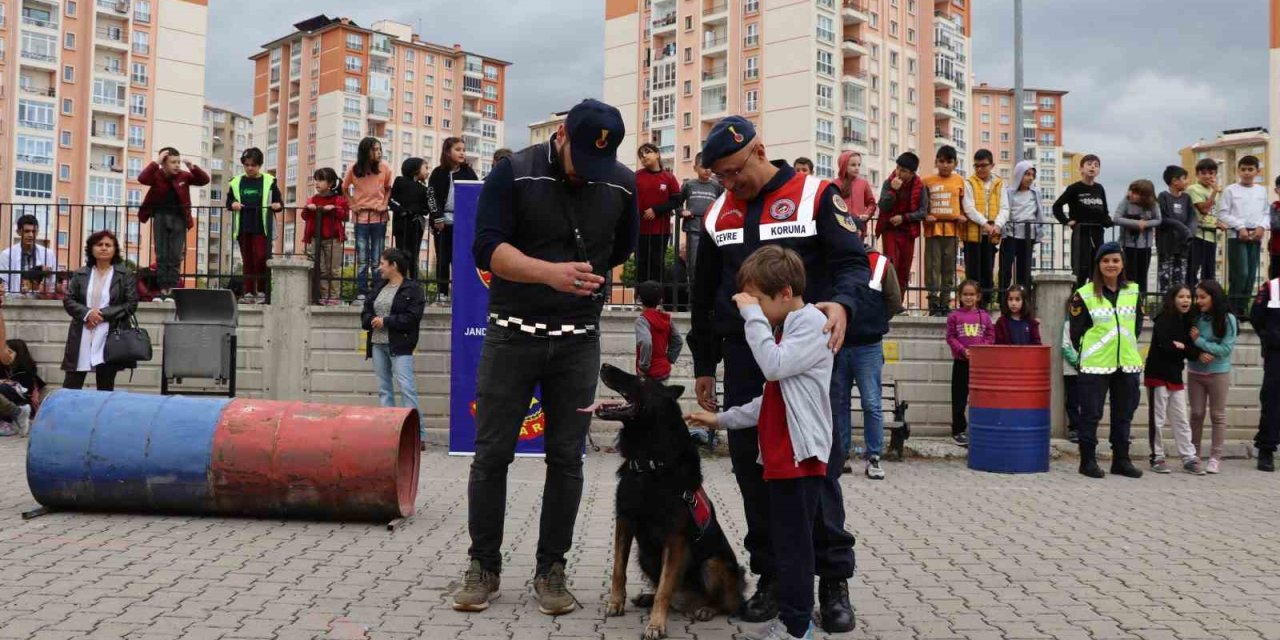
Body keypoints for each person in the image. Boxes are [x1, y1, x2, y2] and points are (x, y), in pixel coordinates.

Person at [453, 99, 637, 616]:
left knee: (566, 459)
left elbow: (619, 249)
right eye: (582, 157)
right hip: (512, 337)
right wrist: (549, 273)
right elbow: (486, 249)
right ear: (560, 135)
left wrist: (577, 284)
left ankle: (551, 570)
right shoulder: (513, 173)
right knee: (491, 456)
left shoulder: (620, 182)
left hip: (578, 342)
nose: (589, 172)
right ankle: (483, 566)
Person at [689, 115, 865, 631]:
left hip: (807, 354)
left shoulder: (815, 194)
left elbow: (853, 263)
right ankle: (772, 577)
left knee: (818, 468)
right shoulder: (718, 212)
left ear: (759, 151)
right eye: (718, 175)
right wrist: (704, 363)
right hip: (745, 356)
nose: (728, 182)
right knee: (753, 468)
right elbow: (703, 296)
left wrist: (843, 305)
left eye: (732, 171)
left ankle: (833, 581)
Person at [684, 245, 839, 640]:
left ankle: (797, 625)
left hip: (798, 457)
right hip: (781, 455)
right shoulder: (791, 326)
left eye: (761, 300)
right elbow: (769, 400)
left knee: (794, 548)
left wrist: (751, 314)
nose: (753, 311)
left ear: (785, 292)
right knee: (786, 543)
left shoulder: (809, 325)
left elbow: (771, 366)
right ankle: (793, 619)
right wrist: (720, 419)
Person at [1066, 242, 1144, 479]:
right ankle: (1087, 461)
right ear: (1098, 265)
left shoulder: (1133, 291)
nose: (1111, 265)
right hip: (1095, 363)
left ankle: (1121, 460)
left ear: (1122, 264)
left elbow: (1137, 325)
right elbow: (1075, 332)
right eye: (1106, 260)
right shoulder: (1084, 294)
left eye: (1115, 260)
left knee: (1124, 413)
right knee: (1091, 414)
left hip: (1127, 362)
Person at [830, 247, 899, 479]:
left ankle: (873, 457)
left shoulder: (880, 263)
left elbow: (893, 301)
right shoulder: (835, 259)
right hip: (840, 344)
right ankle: (842, 456)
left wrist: (874, 322)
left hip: (868, 345)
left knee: (871, 403)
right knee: (839, 403)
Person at [60, 230, 138, 392]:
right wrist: (88, 313)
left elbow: (131, 304)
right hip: (82, 330)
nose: (103, 248)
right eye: (99, 244)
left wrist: (101, 314)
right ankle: (68, 415)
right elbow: (68, 300)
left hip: (109, 333)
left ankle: (102, 417)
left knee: (105, 385)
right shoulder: (80, 273)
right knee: (72, 383)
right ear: (91, 249)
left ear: (115, 249)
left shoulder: (125, 275)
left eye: (108, 245)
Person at [361, 248, 425, 440]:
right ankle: (388, 434)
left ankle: (416, 435)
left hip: (400, 345)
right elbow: (366, 311)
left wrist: (386, 321)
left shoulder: (413, 289)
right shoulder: (379, 286)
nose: (379, 268)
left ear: (393, 265)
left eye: (382, 263)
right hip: (377, 344)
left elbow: (413, 318)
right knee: (384, 388)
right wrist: (370, 319)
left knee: (406, 388)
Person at [1144, 285, 1204, 475]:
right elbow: (1166, 346)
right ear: (1173, 299)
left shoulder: (1189, 322)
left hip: (1175, 376)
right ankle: (1157, 457)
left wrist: (1184, 347)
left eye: (1188, 297)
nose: (1186, 300)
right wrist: (1185, 347)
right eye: (1181, 297)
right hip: (1157, 375)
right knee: (1158, 420)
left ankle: (1188, 458)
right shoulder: (1163, 319)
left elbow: (1194, 353)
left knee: (1181, 419)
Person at [138, 147, 209, 300]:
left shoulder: (184, 176)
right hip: (160, 217)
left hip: (179, 218)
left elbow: (204, 180)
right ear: (164, 163)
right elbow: (143, 178)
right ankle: (163, 289)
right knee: (162, 255)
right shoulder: (156, 175)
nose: (177, 165)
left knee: (175, 255)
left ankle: (173, 289)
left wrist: (192, 167)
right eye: (172, 162)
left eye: (178, 162)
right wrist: (156, 162)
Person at [1187, 280, 1237, 475]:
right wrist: (1197, 351)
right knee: (1197, 414)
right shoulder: (1195, 317)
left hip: (1218, 373)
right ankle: (1195, 454)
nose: (1198, 301)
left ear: (1213, 297)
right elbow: (1187, 342)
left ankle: (1215, 457)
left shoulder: (1228, 319)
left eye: (1202, 297)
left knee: (1217, 415)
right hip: (1195, 372)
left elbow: (1225, 349)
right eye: (1196, 297)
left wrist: (1200, 341)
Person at [227, 147, 282, 304]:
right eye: (246, 165)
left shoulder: (269, 181)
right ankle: (249, 292)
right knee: (248, 260)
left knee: (261, 258)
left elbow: (278, 201)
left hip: (262, 226)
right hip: (243, 226)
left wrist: (277, 205)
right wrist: (234, 204)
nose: (250, 168)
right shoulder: (236, 181)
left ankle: (263, 292)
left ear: (260, 165)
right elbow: (229, 202)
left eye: (253, 165)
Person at [427, 138, 479, 304]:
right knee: (443, 259)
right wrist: (437, 217)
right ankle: (442, 294)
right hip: (442, 224)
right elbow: (431, 196)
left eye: (463, 149)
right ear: (447, 152)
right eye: (458, 149)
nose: (462, 152)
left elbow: (475, 195)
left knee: (461, 260)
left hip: (462, 224)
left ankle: (460, 294)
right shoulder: (437, 173)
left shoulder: (469, 173)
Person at [344, 137, 394, 302]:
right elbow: (344, 189)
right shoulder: (353, 169)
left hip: (379, 218)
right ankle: (362, 292)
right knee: (363, 258)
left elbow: (388, 189)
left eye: (380, 149)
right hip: (360, 218)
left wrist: (384, 204)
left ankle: (378, 291)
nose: (378, 153)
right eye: (375, 149)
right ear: (366, 151)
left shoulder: (385, 168)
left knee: (377, 258)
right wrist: (353, 205)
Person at [1218, 155, 1268, 316]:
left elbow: (1266, 213)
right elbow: (1223, 214)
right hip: (1237, 236)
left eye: (1250, 169)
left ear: (1257, 171)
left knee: (1251, 276)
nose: (1247, 173)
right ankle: (1232, 309)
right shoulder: (1230, 189)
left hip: (1255, 236)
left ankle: (1243, 309)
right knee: (1241, 273)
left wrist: (1262, 227)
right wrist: (1240, 227)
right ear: (1238, 170)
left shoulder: (1262, 190)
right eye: (1243, 169)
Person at [945, 280, 993, 447]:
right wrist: (963, 350)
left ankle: (979, 428)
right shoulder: (954, 316)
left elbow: (990, 337)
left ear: (978, 296)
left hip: (980, 365)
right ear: (959, 296)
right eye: (965, 294)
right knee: (959, 398)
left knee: (979, 398)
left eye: (972, 294)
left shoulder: (985, 317)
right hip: (961, 363)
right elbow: (950, 337)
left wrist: (979, 351)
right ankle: (958, 430)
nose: (968, 297)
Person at [877, 152, 928, 305]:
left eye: (904, 170)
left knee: (904, 269)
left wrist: (904, 218)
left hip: (908, 232)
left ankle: (899, 303)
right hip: (890, 230)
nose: (899, 172)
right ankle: (888, 302)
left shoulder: (920, 186)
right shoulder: (889, 182)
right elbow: (883, 206)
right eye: (898, 168)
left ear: (912, 173)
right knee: (891, 266)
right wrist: (893, 191)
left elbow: (923, 211)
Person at [1053, 154, 1109, 288]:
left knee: (1096, 268)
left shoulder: (1099, 188)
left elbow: (1105, 210)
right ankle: (1077, 299)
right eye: (1089, 164)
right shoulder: (1074, 188)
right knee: (1081, 269)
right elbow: (1057, 206)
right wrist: (1066, 221)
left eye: (1096, 165)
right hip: (1081, 234)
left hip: (1097, 233)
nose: (1092, 167)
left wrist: (1107, 221)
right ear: (1081, 169)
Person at [922, 145, 964, 316]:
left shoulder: (960, 181)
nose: (945, 165)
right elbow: (921, 205)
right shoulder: (927, 181)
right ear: (936, 162)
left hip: (953, 231)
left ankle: (945, 303)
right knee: (932, 267)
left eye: (949, 161)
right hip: (933, 231)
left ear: (955, 163)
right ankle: (933, 303)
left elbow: (965, 204)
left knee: (948, 268)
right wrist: (925, 215)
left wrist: (961, 215)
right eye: (941, 161)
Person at [994, 160, 1043, 296]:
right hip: (1010, 234)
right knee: (1005, 268)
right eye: (1026, 174)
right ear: (1019, 174)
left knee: (1024, 269)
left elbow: (1039, 213)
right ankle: (1002, 298)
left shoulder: (1035, 193)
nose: (1030, 178)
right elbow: (1005, 210)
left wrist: (1039, 231)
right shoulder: (1009, 192)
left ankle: (1024, 298)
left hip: (1028, 235)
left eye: (1032, 175)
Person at [634, 143, 681, 286]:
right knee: (641, 262)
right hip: (640, 229)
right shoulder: (636, 176)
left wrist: (656, 210)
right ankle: (640, 295)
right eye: (641, 155)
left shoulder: (669, 177)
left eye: (647, 152)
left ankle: (656, 295)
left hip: (661, 229)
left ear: (657, 154)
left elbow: (677, 200)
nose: (644, 157)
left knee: (657, 262)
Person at [303, 168, 350, 305]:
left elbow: (346, 216)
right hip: (315, 238)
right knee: (320, 268)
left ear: (330, 183)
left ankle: (334, 296)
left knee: (333, 269)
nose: (317, 183)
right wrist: (309, 208)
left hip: (333, 238)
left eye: (321, 180)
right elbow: (304, 216)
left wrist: (334, 209)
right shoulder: (312, 199)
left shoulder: (338, 199)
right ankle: (324, 295)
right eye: (316, 179)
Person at [962, 149, 1002, 306]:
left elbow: (1004, 207)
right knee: (972, 273)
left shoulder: (999, 184)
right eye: (976, 166)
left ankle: (985, 305)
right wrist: (985, 223)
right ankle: (970, 306)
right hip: (972, 235)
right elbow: (969, 208)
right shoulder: (969, 183)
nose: (979, 169)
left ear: (992, 165)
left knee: (988, 271)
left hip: (991, 235)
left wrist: (997, 224)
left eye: (983, 165)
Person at [1111, 179, 1162, 302]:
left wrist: (1146, 224)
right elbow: (1116, 218)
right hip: (1127, 245)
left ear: (1144, 196)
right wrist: (1136, 223)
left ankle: (1141, 303)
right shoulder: (1126, 201)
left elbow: (1158, 220)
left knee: (1142, 275)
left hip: (1145, 246)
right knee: (1128, 275)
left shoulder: (1153, 204)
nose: (1131, 194)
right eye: (1131, 191)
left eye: (1135, 192)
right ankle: (1127, 301)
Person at [679, 152, 724, 280]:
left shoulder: (717, 186)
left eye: (710, 167)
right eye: (703, 167)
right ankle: (693, 290)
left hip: (711, 229)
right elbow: (677, 204)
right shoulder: (688, 185)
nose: (707, 170)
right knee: (693, 261)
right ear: (695, 168)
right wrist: (682, 211)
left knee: (712, 261)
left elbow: (722, 205)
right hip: (693, 228)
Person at [1251, 275, 1280, 472]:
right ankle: (1266, 450)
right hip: (1277, 354)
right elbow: (1256, 317)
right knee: (1272, 400)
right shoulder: (1272, 287)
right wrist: (1269, 338)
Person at [1156, 166, 1197, 292]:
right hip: (1166, 246)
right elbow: (1163, 218)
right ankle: (1165, 308)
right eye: (1184, 178)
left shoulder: (1187, 198)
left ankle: (1178, 309)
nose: (1187, 181)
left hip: (1182, 247)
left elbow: (1192, 218)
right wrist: (1182, 228)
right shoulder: (1163, 196)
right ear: (1175, 181)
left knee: (1180, 283)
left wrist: (1190, 232)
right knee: (1165, 282)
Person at [390, 158, 431, 280]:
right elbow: (392, 200)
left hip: (415, 225)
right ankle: (400, 280)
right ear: (416, 170)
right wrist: (403, 210)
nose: (428, 171)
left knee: (414, 255)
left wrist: (416, 211)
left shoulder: (424, 188)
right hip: (402, 224)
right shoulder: (400, 181)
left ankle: (413, 281)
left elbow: (426, 208)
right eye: (426, 168)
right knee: (401, 254)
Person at [634, 280, 682, 382]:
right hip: (664, 371)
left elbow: (646, 342)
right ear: (660, 300)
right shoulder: (666, 319)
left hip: (649, 373)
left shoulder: (642, 320)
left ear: (639, 299)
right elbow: (678, 341)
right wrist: (668, 359)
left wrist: (643, 366)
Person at [0, 214, 56, 297]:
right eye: (26, 231)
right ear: (18, 232)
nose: (30, 235)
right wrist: (17, 297)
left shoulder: (48, 254)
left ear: (37, 232)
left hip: (40, 304)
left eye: (33, 231)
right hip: (15, 305)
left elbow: (53, 283)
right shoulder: (7, 255)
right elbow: (3, 286)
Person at [1187, 158, 1223, 284]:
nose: (1207, 176)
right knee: (1192, 270)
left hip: (1211, 235)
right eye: (1203, 173)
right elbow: (1204, 209)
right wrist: (1214, 192)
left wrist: (1218, 223)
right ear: (1197, 175)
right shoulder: (1193, 189)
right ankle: (1190, 296)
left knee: (1209, 273)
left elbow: (1214, 213)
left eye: (1211, 173)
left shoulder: (1217, 192)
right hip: (1197, 234)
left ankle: (1208, 300)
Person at [836, 150, 877, 237]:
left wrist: (866, 214)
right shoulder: (835, 184)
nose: (857, 168)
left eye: (859, 165)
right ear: (843, 166)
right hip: (840, 228)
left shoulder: (863, 183)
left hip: (859, 228)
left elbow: (872, 204)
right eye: (853, 165)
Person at [1059, 302, 1082, 444]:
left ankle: (1085, 428)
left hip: (1089, 369)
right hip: (1071, 370)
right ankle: (1074, 428)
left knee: (1087, 401)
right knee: (1072, 401)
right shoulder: (1068, 324)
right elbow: (1065, 346)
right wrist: (1077, 363)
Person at [1270, 176, 1280, 280]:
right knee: (1276, 281)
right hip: (1277, 250)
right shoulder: (1274, 206)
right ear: (1276, 190)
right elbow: (1275, 224)